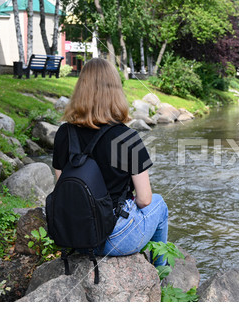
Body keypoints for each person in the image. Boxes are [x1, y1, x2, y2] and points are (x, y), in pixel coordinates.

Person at [52, 58, 168, 266]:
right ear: (115, 91)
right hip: (113, 240)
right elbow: (144, 199)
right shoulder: (127, 137)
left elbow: (62, 187)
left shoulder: (64, 133)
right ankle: (161, 274)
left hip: (75, 237)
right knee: (159, 204)